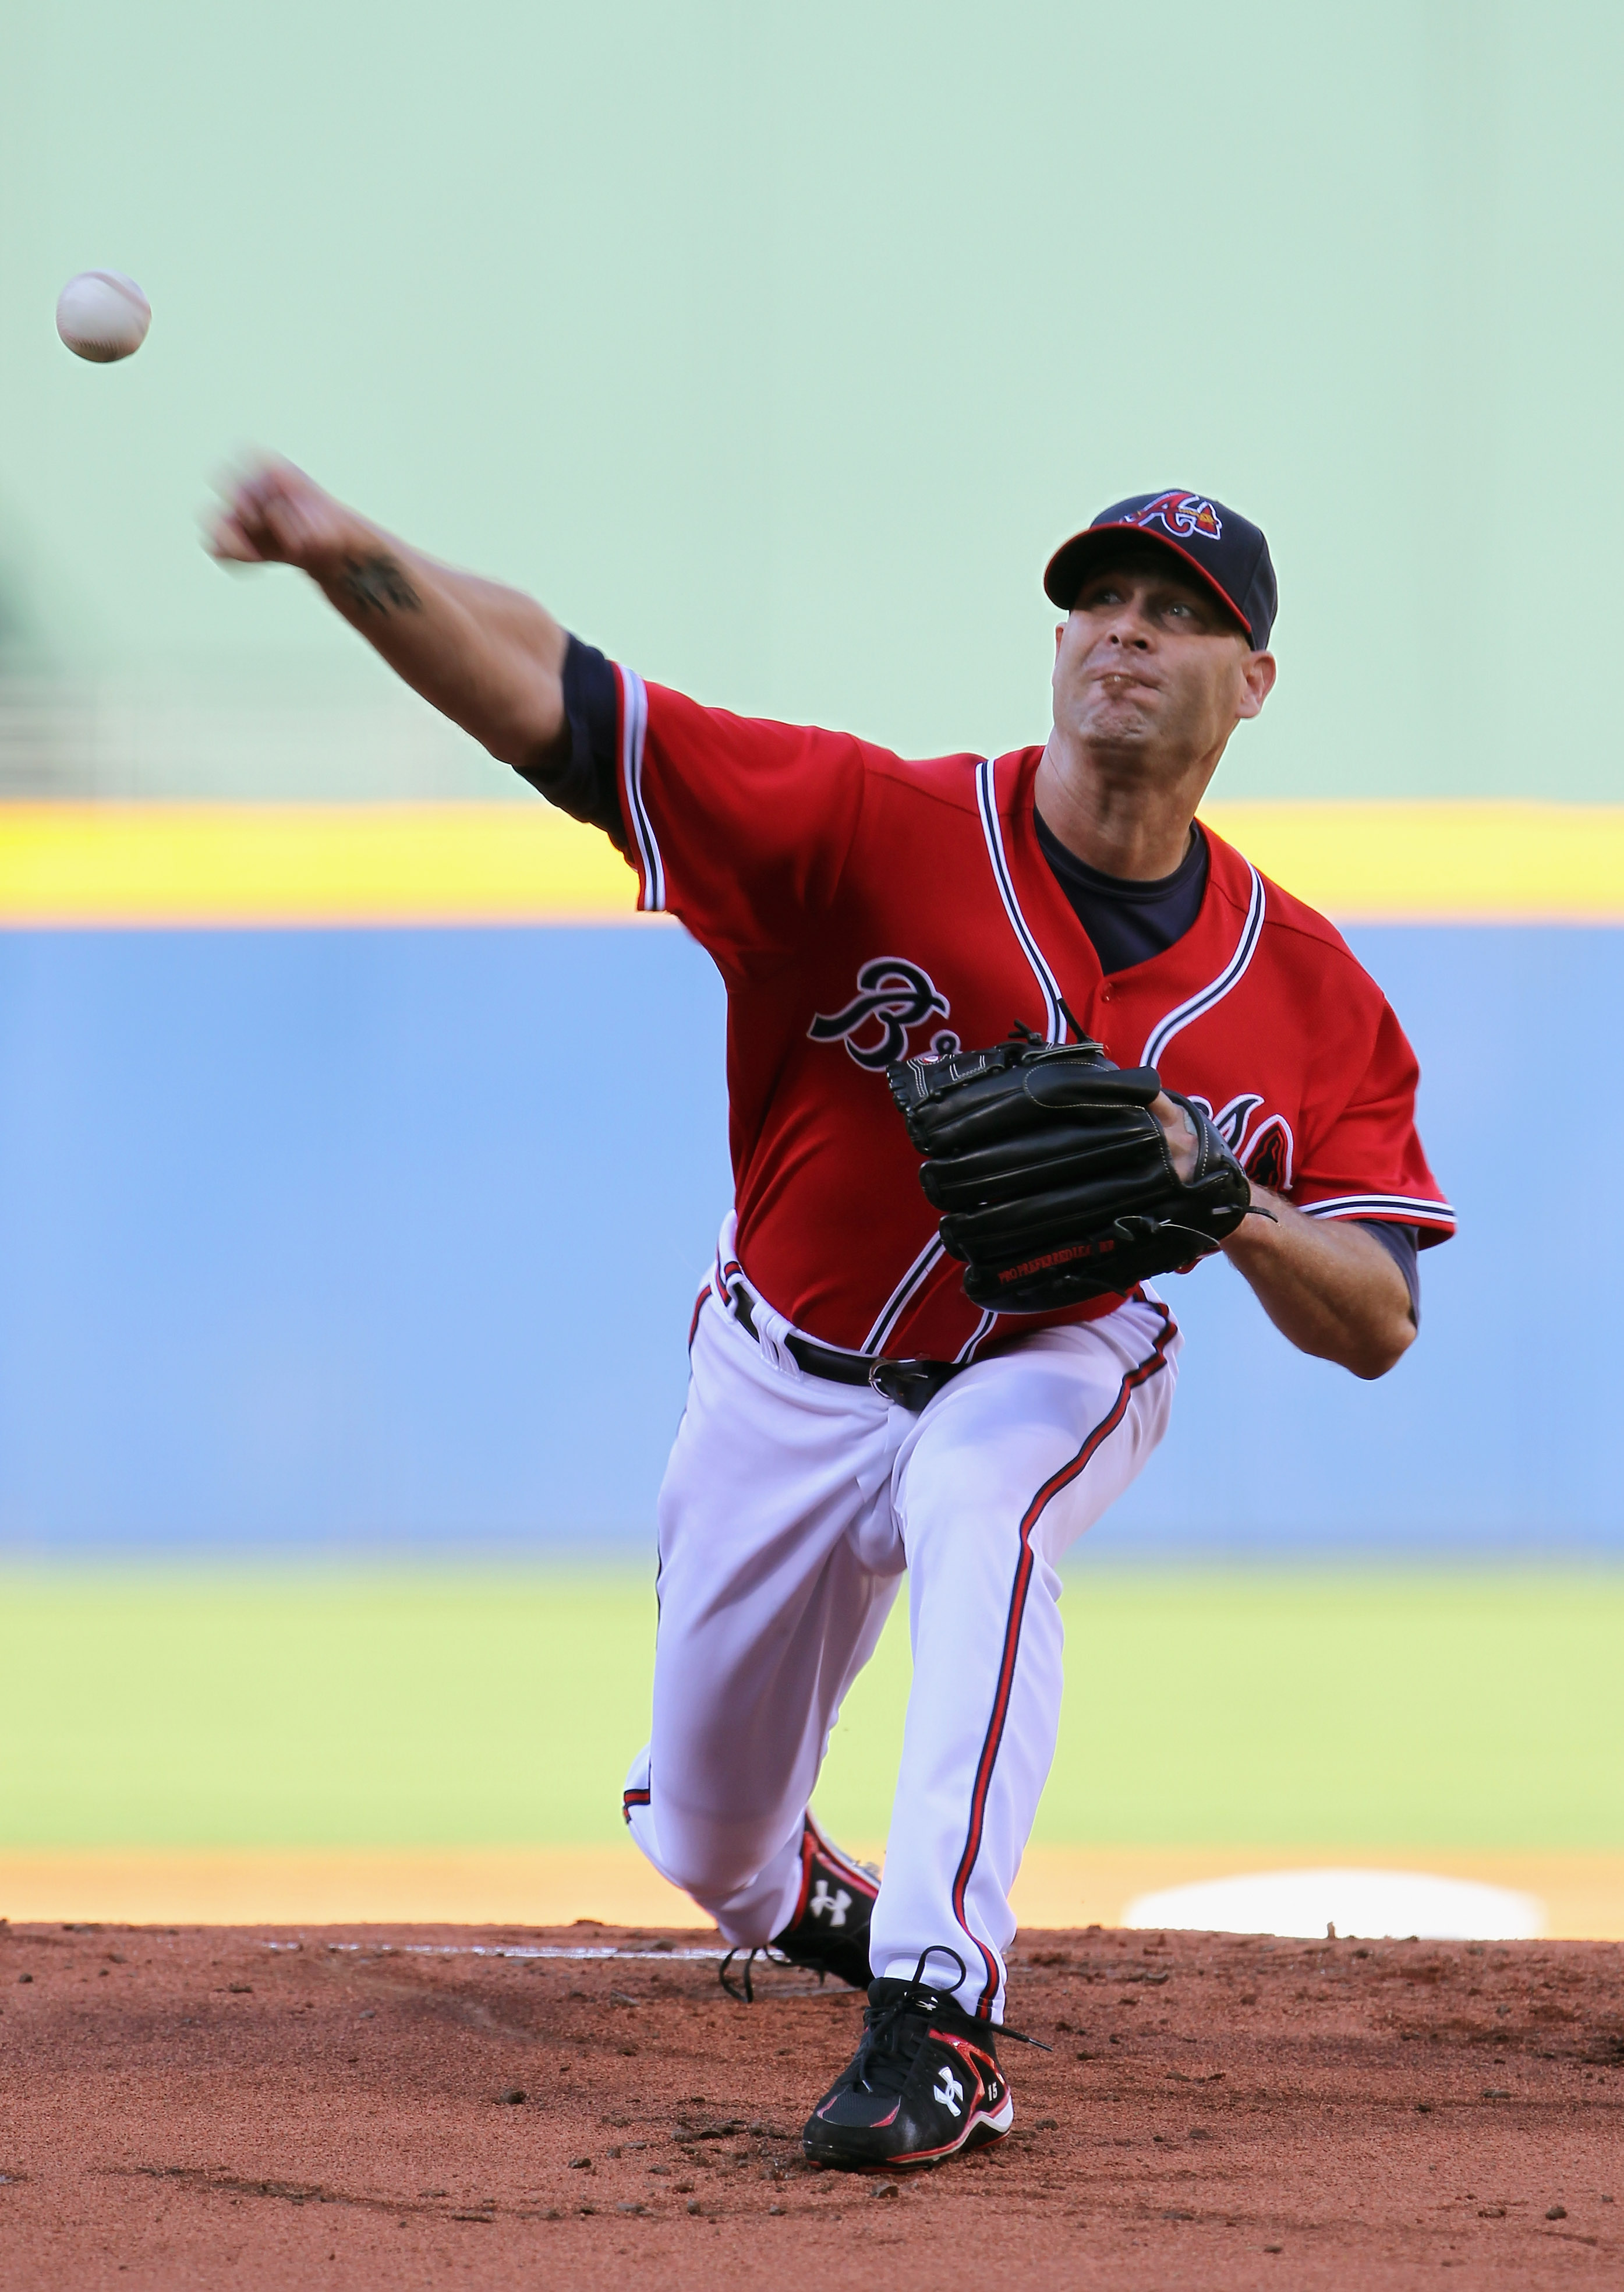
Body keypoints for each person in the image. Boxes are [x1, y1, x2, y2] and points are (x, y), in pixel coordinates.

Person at [210, 472, 1452, 2170]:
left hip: (1050, 1352)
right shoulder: (868, 825)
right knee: (712, 1843)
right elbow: (564, 702)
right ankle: (837, 1908)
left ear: (1254, 682)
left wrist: (1233, 1203)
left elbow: (1378, 1314)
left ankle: (940, 2011)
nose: (1128, 634)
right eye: (1100, 600)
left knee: (983, 1502)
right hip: (782, 1374)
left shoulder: (1304, 987)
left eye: (1181, 613)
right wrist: (343, 556)